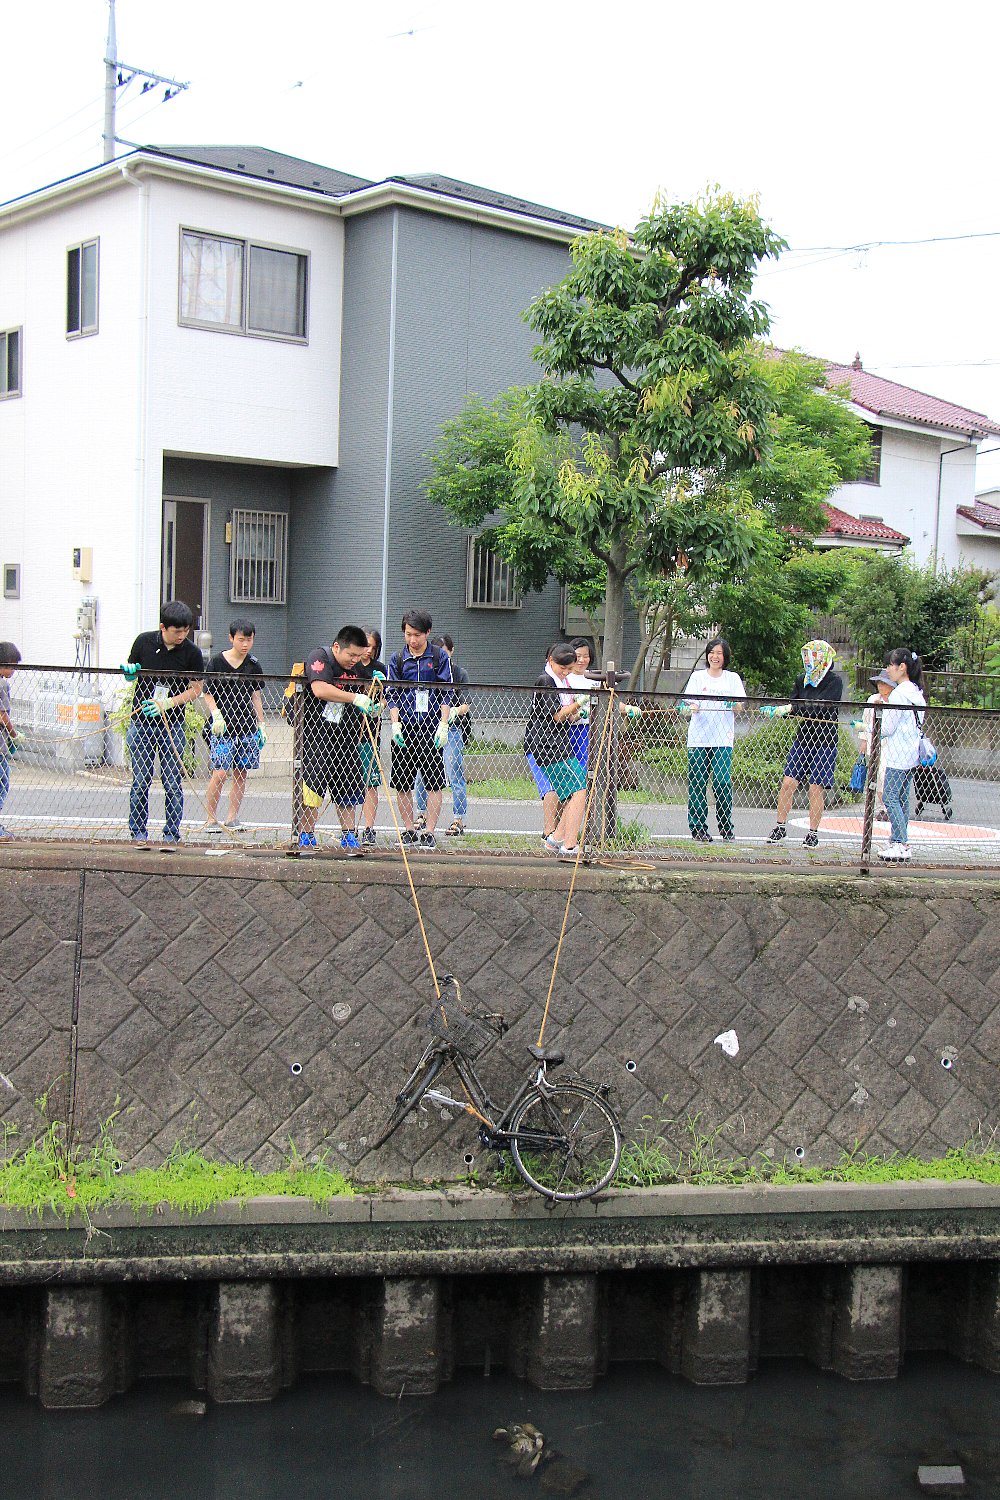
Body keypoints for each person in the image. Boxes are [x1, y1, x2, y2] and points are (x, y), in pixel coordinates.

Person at [121, 601, 204, 846]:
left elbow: (196, 689)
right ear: (162, 627)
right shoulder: (144, 642)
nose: (181, 636)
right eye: (176, 631)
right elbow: (131, 673)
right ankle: (138, 832)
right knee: (141, 780)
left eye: (185, 631)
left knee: (172, 782)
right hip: (141, 722)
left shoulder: (192, 653)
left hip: (173, 724)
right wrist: (129, 672)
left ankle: (171, 834)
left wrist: (168, 703)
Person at [297, 625, 377, 852]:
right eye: (351, 655)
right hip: (318, 736)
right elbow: (320, 689)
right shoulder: (320, 657)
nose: (354, 660)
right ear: (336, 647)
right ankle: (307, 834)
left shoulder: (359, 667)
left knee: (348, 788)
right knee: (313, 788)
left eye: (359, 656)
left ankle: (349, 835)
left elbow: (370, 690)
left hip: (348, 736)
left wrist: (372, 701)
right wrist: (354, 698)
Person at [765, 640, 843, 850]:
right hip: (803, 738)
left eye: (813, 656)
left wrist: (794, 709)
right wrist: (781, 711)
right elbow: (794, 704)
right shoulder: (802, 680)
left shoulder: (834, 681)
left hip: (825, 740)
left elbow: (821, 708)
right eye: (806, 656)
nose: (809, 660)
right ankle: (780, 827)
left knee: (816, 787)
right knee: (788, 782)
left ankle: (812, 833)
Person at [386, 611, 453, 850]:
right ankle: (408, 829)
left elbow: (446, 691)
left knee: (434, 782)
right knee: (402, 783)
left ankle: (430, 831)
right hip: (405, 727)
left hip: (431, 726)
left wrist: (443, 724)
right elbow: (391, 693)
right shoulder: (396, 659)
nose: (412, 640)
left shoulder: (437, 657)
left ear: (427, 633)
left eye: (417, 634)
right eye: (408, 634)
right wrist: (395, 724)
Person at [201, 619, 267, 836]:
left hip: (247, 726)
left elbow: (256, 696)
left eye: (249, 640)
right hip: (223, 729)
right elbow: (207, 691)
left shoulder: (253, 664)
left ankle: (232, 817)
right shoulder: (217, 662)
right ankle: (211, 818)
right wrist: (216, 715)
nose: (245, 644)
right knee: (219, 773)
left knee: (241, 773)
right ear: (231, 638)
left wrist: (261, 724)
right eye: (241, 639)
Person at [523, 643, 588, 861]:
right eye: (563, 667)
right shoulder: (547, 680)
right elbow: (557, 716)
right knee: (579, 790)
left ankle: (555, 839)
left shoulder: (557, 681)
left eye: (569, 669)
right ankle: (569, 845)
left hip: (555, 744)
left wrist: (579, 710)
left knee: (573, 792)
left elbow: (568, 717)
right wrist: (579, 702)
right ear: (551, 661)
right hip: (549, 746)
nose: (566, 672)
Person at [680, 637, 746, 843]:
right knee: (698, 783)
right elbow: (687, 705)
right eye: (711, 652)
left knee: (721, 782)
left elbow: (740, 707)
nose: (715, 656)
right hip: (699, 738)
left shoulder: (732, 678)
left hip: (722, 739)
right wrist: (690, 708)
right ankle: (698, 828)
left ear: (725, 657)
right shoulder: (698, 678)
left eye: (719, 653)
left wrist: (732, 704)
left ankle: (726, 827)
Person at [415, 635, 470, 836]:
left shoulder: (459, 673)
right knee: (421, 773)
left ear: (451, 651)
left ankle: (458, 818)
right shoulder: (428, 671)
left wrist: (453, 712)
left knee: (454, 770)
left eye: (444, 652)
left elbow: (466, 704)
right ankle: (422, 814)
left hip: (453, 728)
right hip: (428, 728)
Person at [877, 648, 927, 863]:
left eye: (890, 665)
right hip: (911, 753)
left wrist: (872, 723)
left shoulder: (898, 694)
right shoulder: (916, 692)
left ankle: (900, 842)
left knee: (889, 797)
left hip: (898, 754)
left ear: (902, 667)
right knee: (902, 799)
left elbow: (887, 728)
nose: (888, 669)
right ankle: (899, 841)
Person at [358, 628, 387, 847]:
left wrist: (379, 706)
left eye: (372, 647)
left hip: (371, 731)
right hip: (349, 731)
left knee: (370, 782)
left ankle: (369, 827)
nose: (367, 651)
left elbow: (388, 697)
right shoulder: (350, 665)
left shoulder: (379, 669)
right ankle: (348, 827)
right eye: (364, 645)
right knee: (347, 780)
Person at [857, 669, 893, 823]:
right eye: (879, 683)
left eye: (884, 683)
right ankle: (880, 807)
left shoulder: (895, 701)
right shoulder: (872, 699)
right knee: (875, 775)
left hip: (889, 744)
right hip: (873, 741)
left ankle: (887, 807)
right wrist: (863, 742)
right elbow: (865, 723)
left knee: (884, 773)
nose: (881, 686)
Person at [0, 642, 23, 840]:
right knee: (2, 783)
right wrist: (14, 735)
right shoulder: (1, 683)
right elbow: (2, 715)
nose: (14, 670)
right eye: (13, 665)